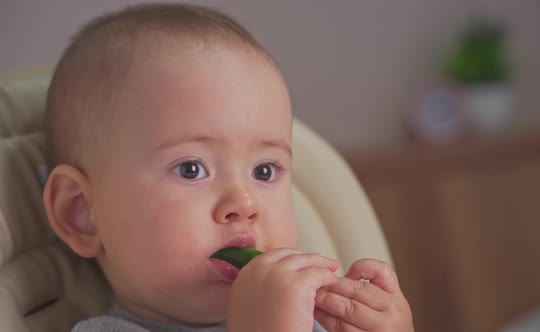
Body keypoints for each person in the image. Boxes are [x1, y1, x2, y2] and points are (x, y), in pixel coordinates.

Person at [42, 3, 413, 332]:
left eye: (264, 171)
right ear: (82, 214)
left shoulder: (313, 318)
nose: (246, 202)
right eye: (191, 169)